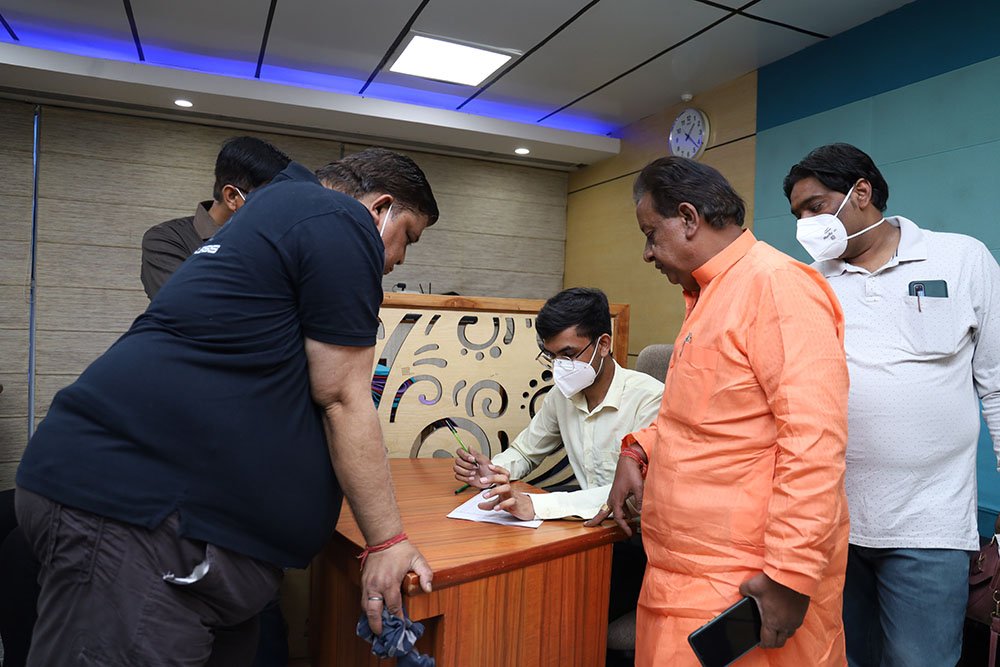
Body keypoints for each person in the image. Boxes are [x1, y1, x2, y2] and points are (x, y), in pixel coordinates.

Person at [14, 147, 439, 665]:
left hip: (175, 531)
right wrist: (387, 542)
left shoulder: (279, 213)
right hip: (141, 516)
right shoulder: (338, 217)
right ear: (380, 208)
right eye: (408, 237)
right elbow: (342, 396)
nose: (400, 260)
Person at [591, 156, 850, 666]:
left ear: (689, 218)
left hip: (744, 582)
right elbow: (708, 417)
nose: (647, 253)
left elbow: (815, 443)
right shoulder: (711, 294)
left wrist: (790, 578)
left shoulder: (776, 286)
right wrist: (638, 450)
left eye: (651, 234)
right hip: (683, 576)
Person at [783, 143, 1000, 667]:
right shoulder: (808, 282)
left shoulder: (961, 258)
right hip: (832, 522)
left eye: (815, 207)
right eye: (797, 215)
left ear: (861, 192)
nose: (806, 225)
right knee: (842, 658)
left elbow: (997, 387)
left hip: (930, 524)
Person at [452, 287, 663, 522]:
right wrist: (493, 472)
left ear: (604, 344)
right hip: (586, 525)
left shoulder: (651, 399)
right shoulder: (561, 396)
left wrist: (537, 505)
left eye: (568, 354)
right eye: (552, 356)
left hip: (637, 531)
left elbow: (633, 492)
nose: (559, 366)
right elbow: (525, 452)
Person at [140, 135, 291, 299]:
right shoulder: (167, 239)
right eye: (270, 198)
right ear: (232, 196)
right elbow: (188, 305)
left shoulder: (276, 244)